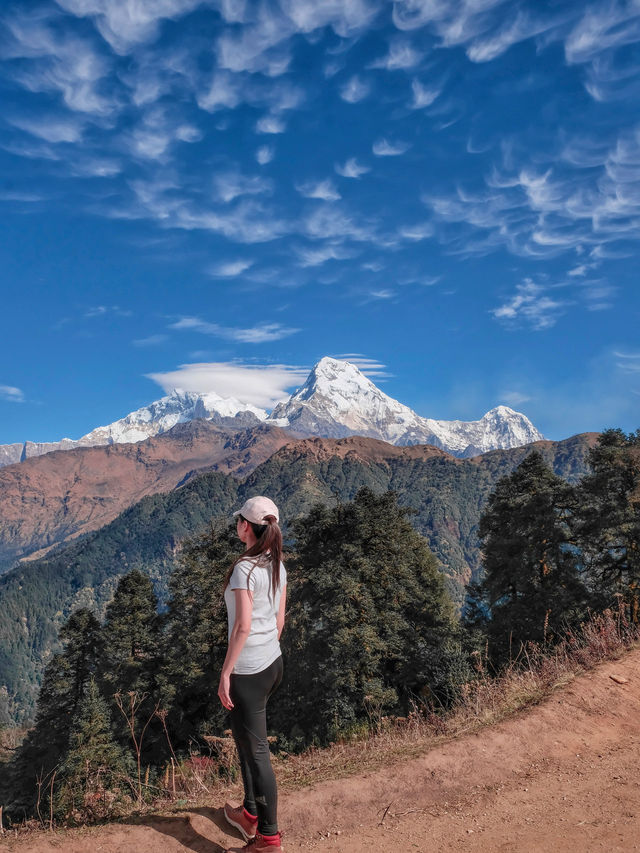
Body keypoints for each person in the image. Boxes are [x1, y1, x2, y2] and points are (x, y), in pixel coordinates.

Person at [219, 495, 287, 852]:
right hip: (272, 664)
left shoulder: (244, 569)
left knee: (256, 750)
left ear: (246, 527)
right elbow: (278, 620)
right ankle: (249, 814)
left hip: (248, 671)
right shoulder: (277, 564)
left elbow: (242, 626)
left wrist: (226, 672)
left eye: (238, 521)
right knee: (245, 740)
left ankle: (269, 838)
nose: (237, 526)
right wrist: (266, 649)